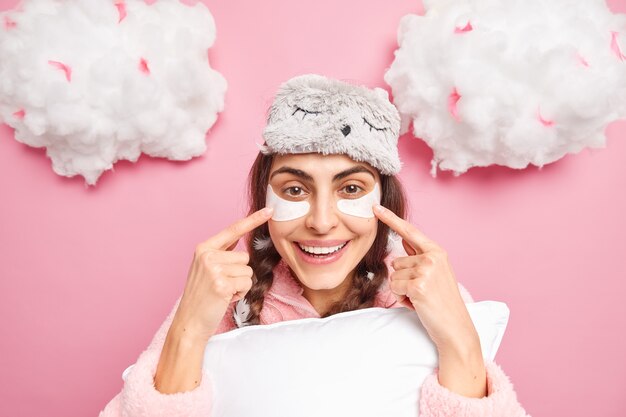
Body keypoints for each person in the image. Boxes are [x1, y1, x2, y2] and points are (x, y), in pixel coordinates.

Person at [99, 74, 530, 417]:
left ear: (386, 201)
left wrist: (460, 338)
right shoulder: (223, 296)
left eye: (351, 188)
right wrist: (189, 329)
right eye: (294, 191)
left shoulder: (424, 296)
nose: (322, 222)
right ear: (262, 199)